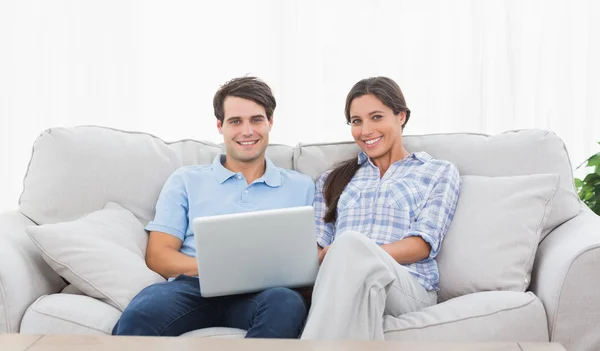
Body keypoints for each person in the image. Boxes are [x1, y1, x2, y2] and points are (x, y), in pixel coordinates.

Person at [112, 76, 315, 338]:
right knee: (141, 312)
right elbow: (159, 255)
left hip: (265, 294)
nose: (247, 131)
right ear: (220, 126)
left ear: (270, 123)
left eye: (256, 120)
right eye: (235, 121)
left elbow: (309, 259)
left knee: (286, 304)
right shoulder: (185, 180)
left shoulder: (302, 187)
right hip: (191, 288)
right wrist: (220, 270)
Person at [300, 77, 461, 340]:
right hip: (345, 279)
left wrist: (357, 254)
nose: (365, 130)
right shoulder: (332, 179)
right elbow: (317, 245)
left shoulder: (437, 171)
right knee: (361, 284)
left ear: (401, 116)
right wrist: (341, 257)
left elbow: (422, 245)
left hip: (408, 285)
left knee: (352, 246)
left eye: (376, 117)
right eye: (356, 121)